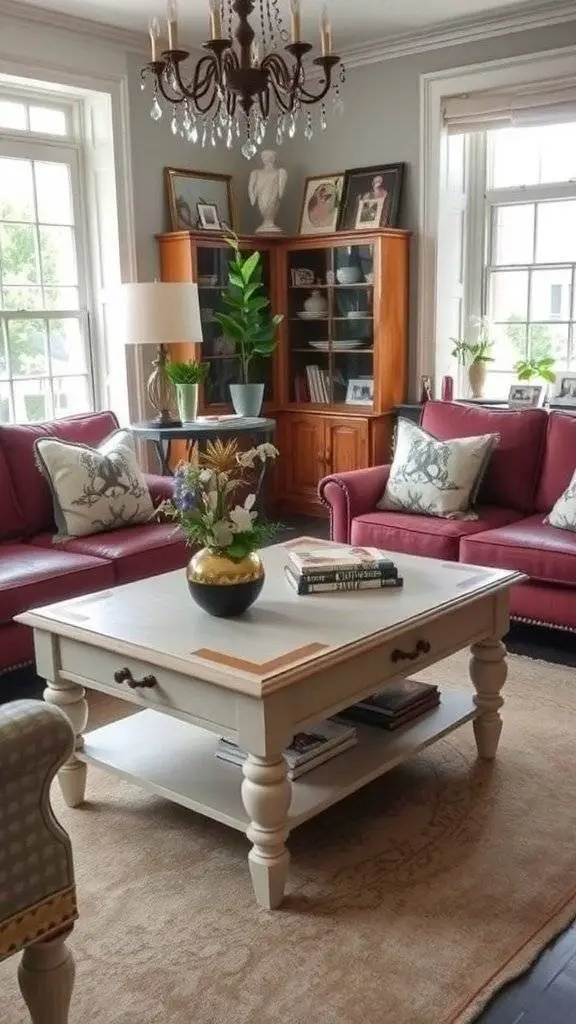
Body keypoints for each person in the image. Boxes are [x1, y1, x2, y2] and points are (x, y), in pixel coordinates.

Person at [248, 150, 287, 234]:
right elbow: (251, 188)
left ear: (273, 158)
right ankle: (267, 221)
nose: (265, 159)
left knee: (270, 206)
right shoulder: (256, 173)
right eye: (264, 157)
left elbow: (280, 193)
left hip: (273, 197)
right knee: (264, 206)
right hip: (262, 197)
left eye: (268, 157)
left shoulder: (280, 172)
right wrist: (253, 196)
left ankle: (269, 221)